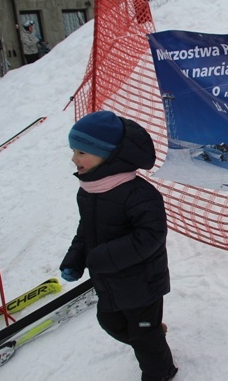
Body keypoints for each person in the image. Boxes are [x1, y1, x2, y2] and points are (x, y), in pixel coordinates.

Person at [60, 110, 178, 381]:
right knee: (110, 323)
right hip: (110, 281)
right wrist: (75, 259)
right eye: (74, 151)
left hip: (142, 284)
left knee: (144, 338)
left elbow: (151, 236)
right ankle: (150, 335)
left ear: (107, 154)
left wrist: (102, 258)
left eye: (81, 152)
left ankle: (161, 372)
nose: (73, 158)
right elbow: (85, 230)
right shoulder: (90, 190)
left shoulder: (139, 194)